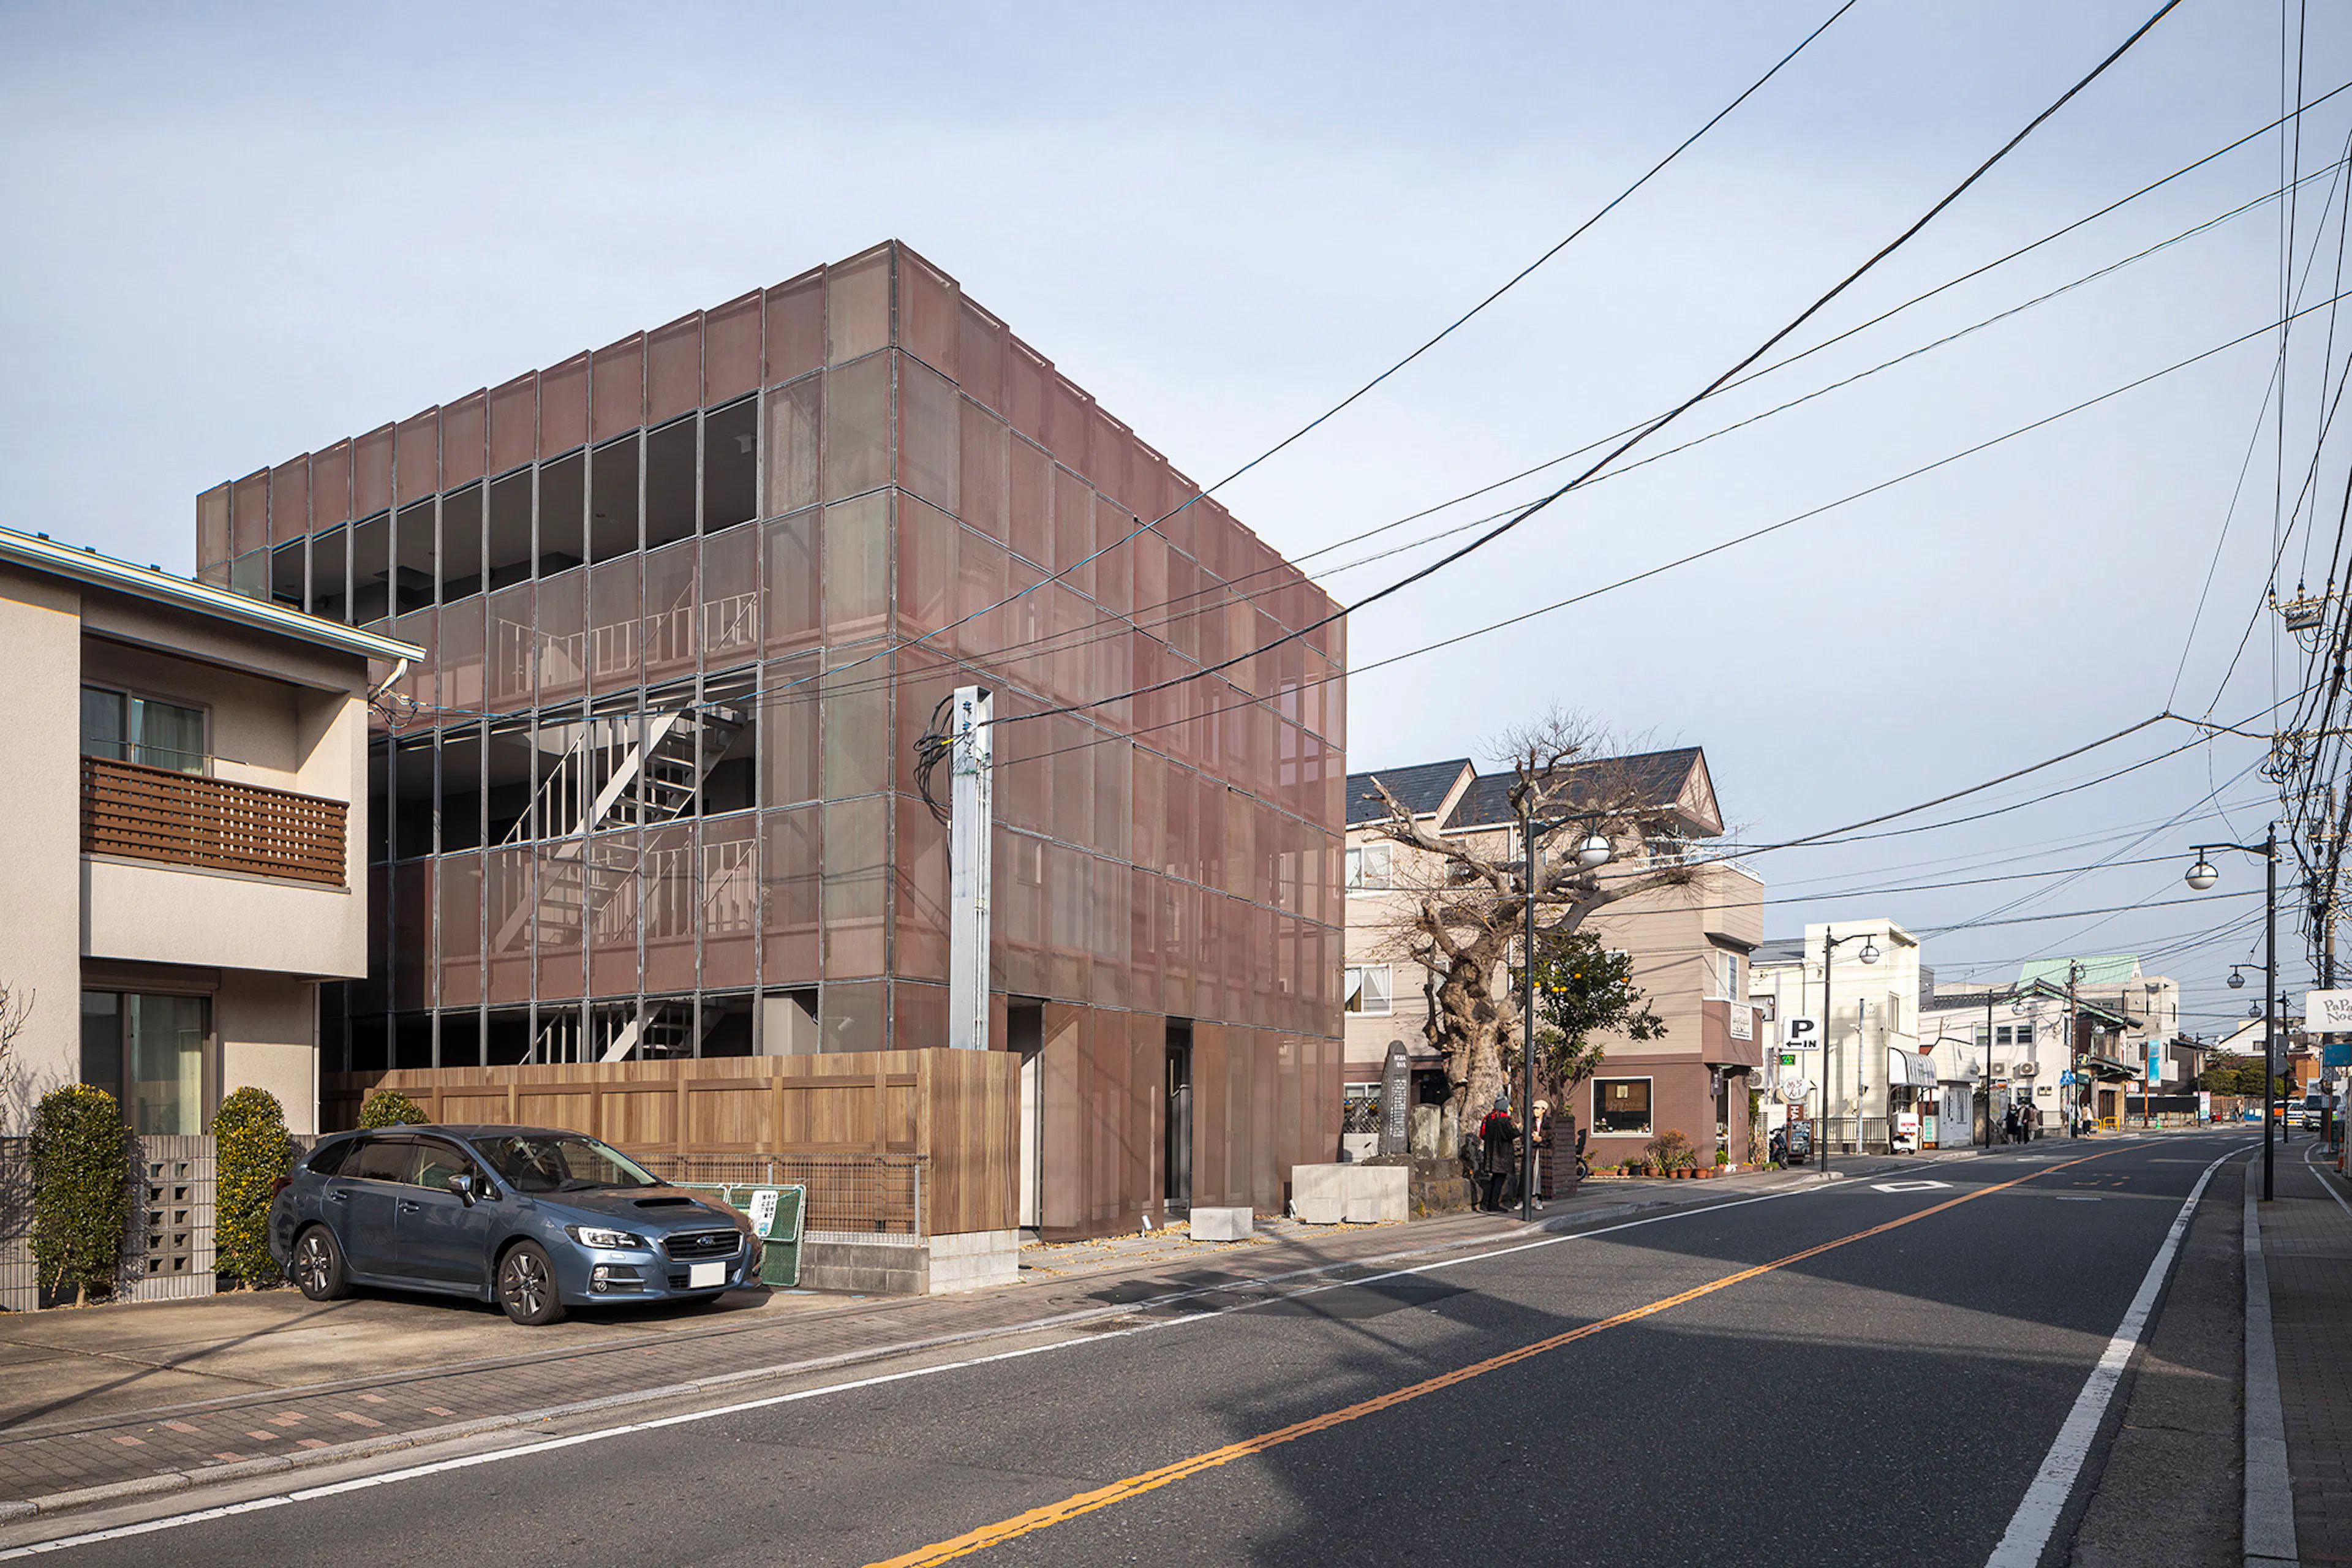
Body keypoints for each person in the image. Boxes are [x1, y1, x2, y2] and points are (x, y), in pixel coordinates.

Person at [1479, 1096, 1520, 1213]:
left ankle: (1487, 1203)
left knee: (1494, 1178)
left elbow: (1483, 1135)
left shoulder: (1488, 1118)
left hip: (1491, 1152)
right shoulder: (1504, 1120)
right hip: (1502, 1153)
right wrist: (1517, 1129)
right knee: (1500, 1178)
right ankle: (1494, 1204)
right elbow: (1510, 1134)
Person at [1528, 1099, 1553, 1207]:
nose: (1535, 1111)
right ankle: (1525, 1199)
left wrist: (1541, 1139)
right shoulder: (1530, 1122)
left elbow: (1552, 1139)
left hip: (1543, 1153)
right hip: (1532, 1152)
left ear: (1544, 1110)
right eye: (1534, 1108)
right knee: (1529, 1175)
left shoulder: (1548, 1124)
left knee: (1541, 1176)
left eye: (1538, 1109)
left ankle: (1539, 1199)